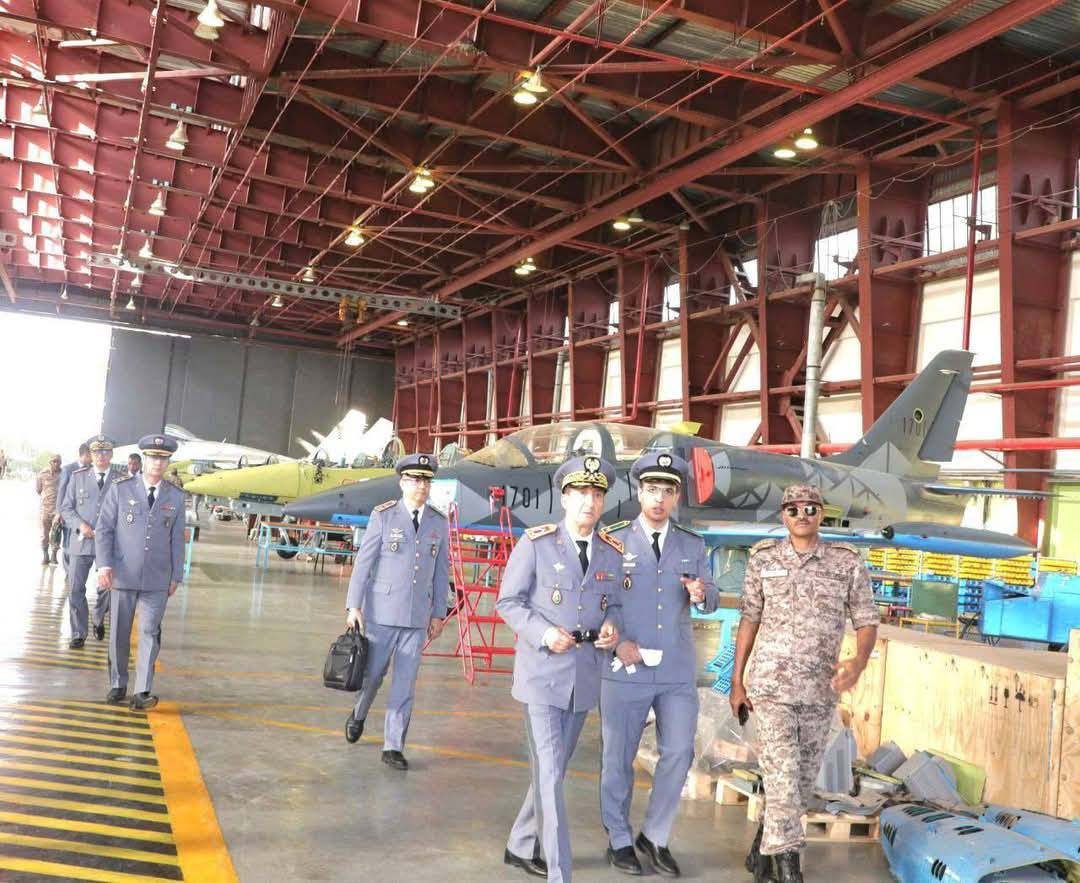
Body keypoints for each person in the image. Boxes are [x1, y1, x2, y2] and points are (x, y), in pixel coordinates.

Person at [731, 485, 880, 883]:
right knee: (782, 774)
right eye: (793, 509)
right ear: (783, 515)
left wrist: (859, 663)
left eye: (810, 508)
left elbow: (867, 620)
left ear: (821, 514)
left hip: (819, 690)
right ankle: (788, 868)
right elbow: (749, 619)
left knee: (798, 783)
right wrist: (736, 681)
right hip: (771, 687)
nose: (802, 515)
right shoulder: (763, 559)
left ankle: (762, 849)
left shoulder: (846, 562)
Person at [497, 455, 623, 883]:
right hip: (542, 676)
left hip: (583, 679)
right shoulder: (537, 543)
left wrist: (612, 627)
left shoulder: (610, 552)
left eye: (597, 494)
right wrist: (544, 633)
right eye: (581, 492)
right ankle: (560, 872)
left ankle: (520, 843)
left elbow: (615, 605)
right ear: (565, 498)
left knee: (551, 772)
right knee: (550, 775)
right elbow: (508, 602)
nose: (590, 501)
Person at [598, 452, 719, 878]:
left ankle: (655, 835)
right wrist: (617, 643)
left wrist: (703, 594)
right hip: (625, 667)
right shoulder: (612, 540)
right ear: (639, 492)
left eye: (667, 491)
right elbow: (597, 601)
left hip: (675, 668)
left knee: (680, 751)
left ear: (677, 496)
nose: (659, 499)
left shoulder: (692, 543)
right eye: (651, 489)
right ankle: (619, 838)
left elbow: (711, 596)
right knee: (618, 757)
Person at [343, 453, 449, 770]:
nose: (421, 486)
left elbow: (440, 572)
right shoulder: (384, 516)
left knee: (405, 683)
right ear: (402, 483)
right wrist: (353, 605)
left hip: (417, 617)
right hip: (382, 614)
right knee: (373, 675)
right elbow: (364, 563)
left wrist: (438, 613)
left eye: (426, 481)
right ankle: (359, 713)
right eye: (415, 480)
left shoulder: (438, 522)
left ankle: (393, 746)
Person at [95, 434, 186, 710]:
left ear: (168, 462)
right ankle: (118, 683)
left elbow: (177, 539)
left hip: (158, 578)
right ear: (144, 459)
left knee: (149, 631)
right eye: (153, 457)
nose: (157, 463)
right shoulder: (121, 489)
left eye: (163, 459)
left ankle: (142, 690)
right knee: (119, 632)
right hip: (123, 573)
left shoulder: (176, 496)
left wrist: (176, 575)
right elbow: (104, 529)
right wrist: (104, 565)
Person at [60, 435, 124, 648]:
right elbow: (66, 508)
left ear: (111, 454)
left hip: (109, 544)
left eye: (105, 452)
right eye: (97, 452)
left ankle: (98, 617)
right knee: (75, 589)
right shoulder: (78, 477)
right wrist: (80, 525)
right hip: (81, 542)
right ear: (91, 454)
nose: (101, 456)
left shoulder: (121, 480)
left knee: (107, 588)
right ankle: (78, 632)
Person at [57, 443, 92, 571]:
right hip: (69, 511)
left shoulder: (92, 470)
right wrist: (59, 513)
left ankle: (73, 570)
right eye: (91, 455)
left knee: (78, 542)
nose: (93, 459)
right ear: (85, 455)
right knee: (67, 542)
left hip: (83, 514)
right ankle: (68, 571)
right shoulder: (68, 469)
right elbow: (61, 492)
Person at [35, 454, 63, 564]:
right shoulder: (42, 474)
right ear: (50, 462)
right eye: (54, 461)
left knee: (56, 534)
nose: (56, 463)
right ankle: (45, 555)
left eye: (58, 461)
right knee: (44, 534)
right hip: (45, 510)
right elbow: (38, 490)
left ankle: (54, 555)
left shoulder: (64, 474)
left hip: (58, 511)